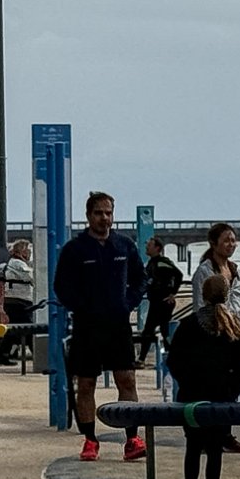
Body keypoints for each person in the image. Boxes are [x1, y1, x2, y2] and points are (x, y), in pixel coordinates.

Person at [51, 191, 146, 462]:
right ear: (88, 216)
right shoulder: (75, 249)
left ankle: (132, 439)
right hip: (87, 327)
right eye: (98, 213)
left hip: (119, 325)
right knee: (86, 384)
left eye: (108, 213)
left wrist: (128, 303)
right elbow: (62, 287)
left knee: (126, 380)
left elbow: (141, 278)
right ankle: (90, 440)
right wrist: (81, 307)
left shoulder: (124, 246)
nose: (104, 218)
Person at [163, 273, 240, 479]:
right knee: (214, 448)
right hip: (221, 396)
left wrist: (187, 383)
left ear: (202, 294)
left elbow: (174, 360)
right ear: (227, 294)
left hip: (191, 395)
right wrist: (231, 391)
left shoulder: (188, 325)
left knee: (193, 445)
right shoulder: (233, 326)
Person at [190, 225, 240, 454]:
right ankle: (214, 434)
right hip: (215, 334)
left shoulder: (235, 270)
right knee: (214, 385)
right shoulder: (205, 271)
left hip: (236, 332)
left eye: (234, 240)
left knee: (236, 380)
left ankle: (224, 432)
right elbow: (200, 305)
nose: (231, 244)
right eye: (226, 240)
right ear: (214, 243)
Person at [138, 237, 184, 361]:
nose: (147, 247)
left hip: (163, 302)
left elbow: (179, 274)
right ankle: (169, 355)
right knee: (161, 330)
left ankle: (143, 358)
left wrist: (173, 293)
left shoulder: (162, 262)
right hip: (155, 301)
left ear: (157, 248)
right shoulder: (151, 263)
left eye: (150, 245)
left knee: (153, 331)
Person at [0, 239, 36, 366]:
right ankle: (39, 355)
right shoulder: (19, 265)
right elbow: (32, 277)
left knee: (15, 330)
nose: (29, 253)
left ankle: (3, 355)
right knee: (28, 328)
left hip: (14, 301)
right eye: (27, 250)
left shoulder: (14, 263)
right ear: (21, 251)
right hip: (20, 302)